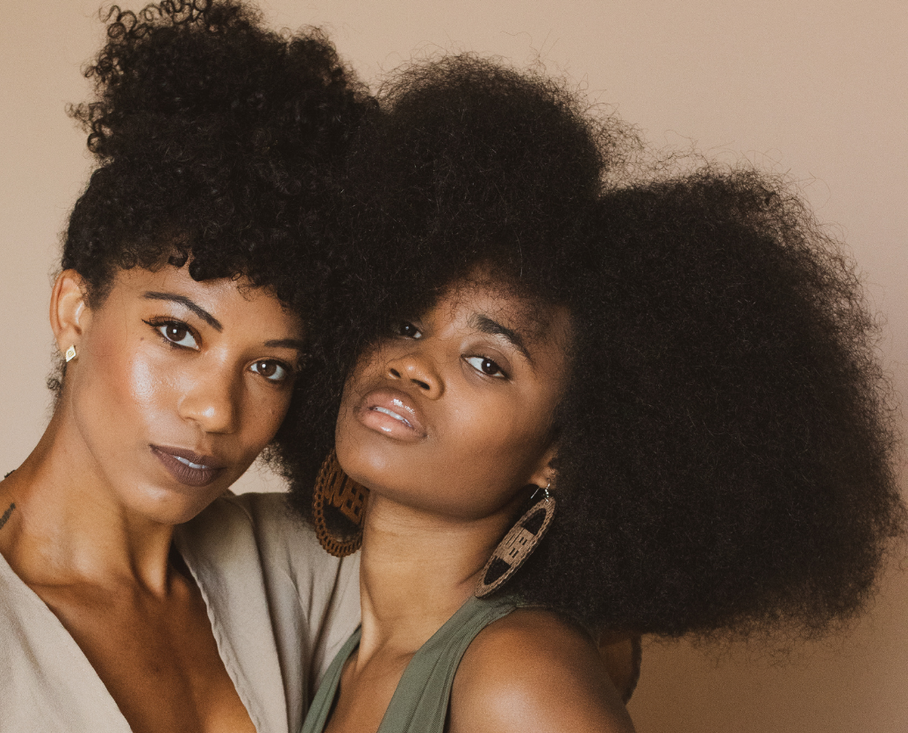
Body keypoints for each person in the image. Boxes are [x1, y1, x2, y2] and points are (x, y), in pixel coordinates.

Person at [282, 56, 904, 733]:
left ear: (561, 452)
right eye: (407, 322)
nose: (415, 364)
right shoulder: (352, 662)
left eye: (488, 361)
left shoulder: (519, 678)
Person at [0, 2, 374, 732]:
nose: (215, 410)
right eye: (177, 332)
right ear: (73, 311)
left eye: (269, 368)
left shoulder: (292, 568)